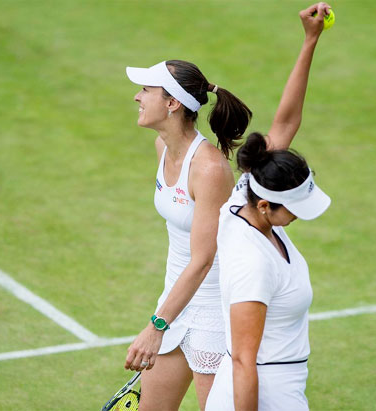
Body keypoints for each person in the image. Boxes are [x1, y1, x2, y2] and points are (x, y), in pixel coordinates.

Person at [123, 2, 331, 409]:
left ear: (172, 104)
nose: (136, 95)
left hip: (217, 315)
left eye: (146, 89)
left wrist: (155, 326)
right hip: (175, 300)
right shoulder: (161, 146)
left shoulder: (212, 171)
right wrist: (164, 316)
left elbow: (202, 261)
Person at [205, 3, 333, 411]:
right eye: (293, 208)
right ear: (265, 205)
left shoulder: (252, 186)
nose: (297, 216)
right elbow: (244, 360)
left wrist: (310, 40)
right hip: (266, 393)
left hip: (283, 383)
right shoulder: (251, 261)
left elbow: (286, 120)